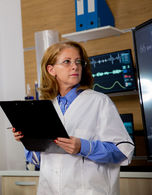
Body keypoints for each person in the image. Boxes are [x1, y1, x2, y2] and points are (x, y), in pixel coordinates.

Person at [12, 41, 134, 195]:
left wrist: (84, 147)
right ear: (51, 70)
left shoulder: (99, 101)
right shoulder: (46, 107)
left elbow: (124, 151)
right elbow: (38, 160)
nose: (75, 66)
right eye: (67, 62)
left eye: (78, 62)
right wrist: (27, 139)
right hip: (49, 190)